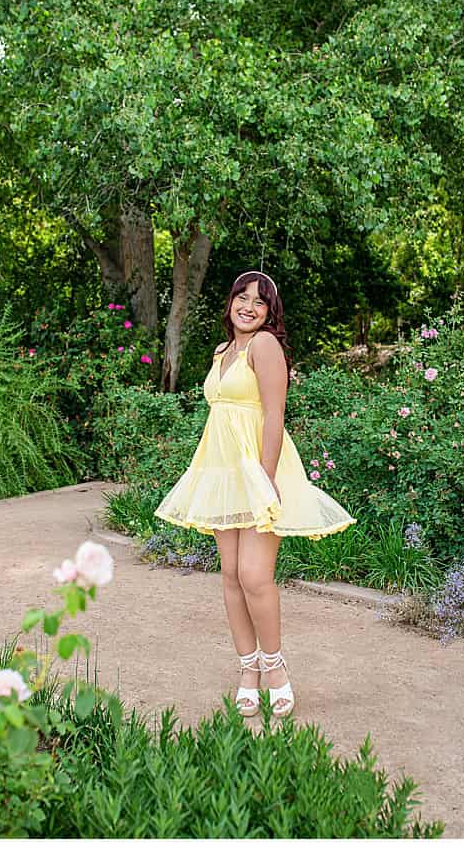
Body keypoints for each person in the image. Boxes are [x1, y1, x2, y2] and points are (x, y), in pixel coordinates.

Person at [154, 270, 356, 718]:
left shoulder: (265, 346)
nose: (248, 306)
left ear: (270, 312)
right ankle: (248, 669)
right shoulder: (223, 351)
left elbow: (273, 415)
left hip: (261, 469)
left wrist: (264, 478)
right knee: (229, 574)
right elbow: (222, 415)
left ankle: (276, 669)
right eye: (241, 298)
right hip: (222, 470)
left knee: (255, 576)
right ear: (230, 303)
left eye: (259, 302)